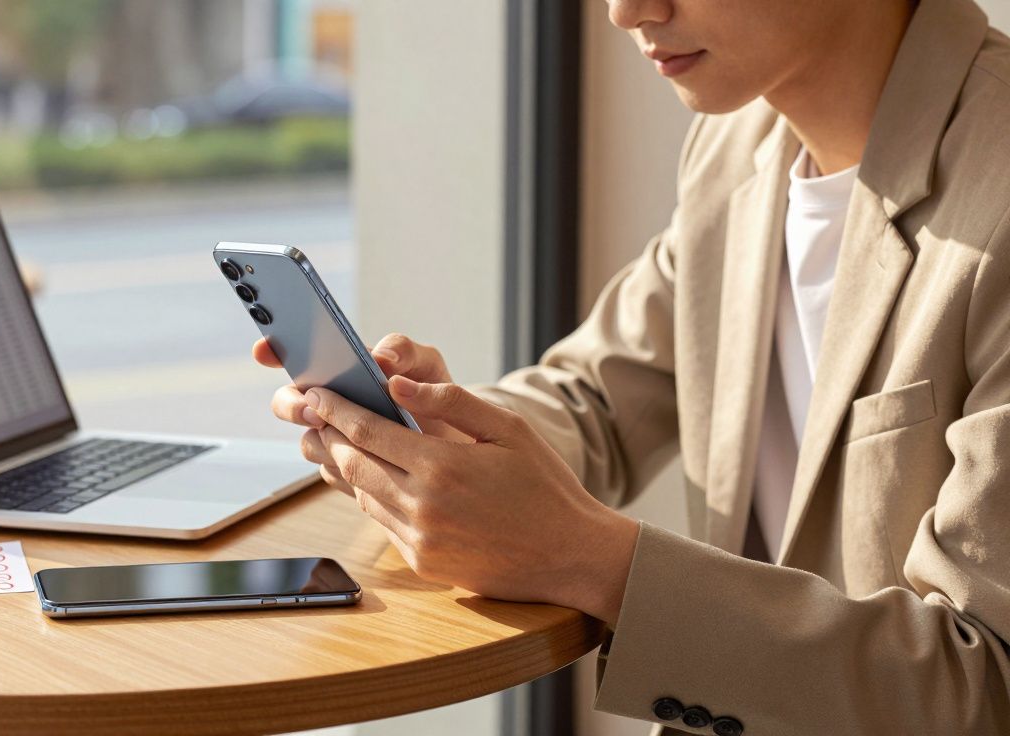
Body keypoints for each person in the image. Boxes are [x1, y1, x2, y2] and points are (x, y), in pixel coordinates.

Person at [254, 0, 1010, 732]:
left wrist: (594, 563)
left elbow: (985, 687)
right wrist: (435, 432)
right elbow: (595, 400)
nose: (625, 11)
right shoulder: (741, 148)